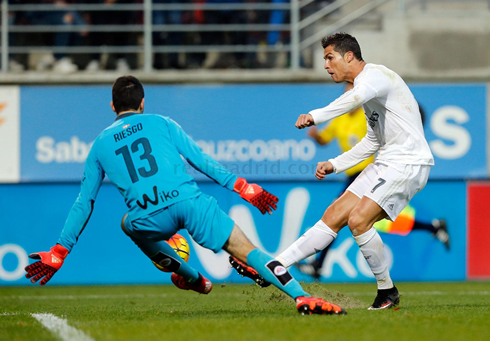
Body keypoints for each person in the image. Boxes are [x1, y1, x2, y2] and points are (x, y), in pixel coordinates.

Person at [24, 76, 345, 316]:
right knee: (249, 252)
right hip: (190, 204)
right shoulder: (161, 122)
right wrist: (243, 187)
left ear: (112, 107)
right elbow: (200, 160)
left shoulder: (98, 145)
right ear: (143, 102)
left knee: (127, 222)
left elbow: (85, 202)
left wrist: (60, 250)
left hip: (150, 217)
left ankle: (192, 277)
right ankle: (302, 296)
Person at [231, 32, 435, 310]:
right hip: (387, 161)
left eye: (330, 57)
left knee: (359, 220)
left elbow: (353, 99)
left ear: (349, 56)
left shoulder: (374, 77)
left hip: (408, 162)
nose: (326, 65)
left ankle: (387, 291)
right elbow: (373, 142)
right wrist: (335, 164)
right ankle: (274, 267)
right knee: (333, 215)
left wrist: (315, 115)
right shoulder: (366, 92)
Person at [296, 84, 449, 280]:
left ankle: (318, 264)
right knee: (381, 223)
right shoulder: (339, 119)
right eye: (346, 96)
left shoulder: (369, 115)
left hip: (369, 173)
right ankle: (433, 227)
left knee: (337, 214)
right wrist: (316, 136)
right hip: (353, 175)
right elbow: (324, 140)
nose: (349, 100)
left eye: (353, 95)